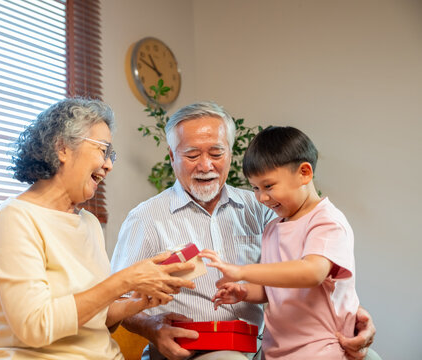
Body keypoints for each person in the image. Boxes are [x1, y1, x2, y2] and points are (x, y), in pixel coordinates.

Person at [110, 102, 377, 360]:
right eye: (192, 155)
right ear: (171, 156)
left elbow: (310, 269)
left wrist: (351, 314)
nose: (206, 166)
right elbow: (117, 299)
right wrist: (152, 327)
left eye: (216, 153)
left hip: (259, 348)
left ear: (230, 151)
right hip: (189, 352)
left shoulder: (263, 208)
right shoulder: (146, 218)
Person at [0, 98, 196, 360]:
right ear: (62, 148)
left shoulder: (89, 223)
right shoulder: (16, 217)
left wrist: (139, 300)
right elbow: (34, 327)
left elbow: (98, 319)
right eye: (102, 150)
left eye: (110, 155)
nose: (109, 164)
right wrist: (124, 280)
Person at [200, 125, 359, 359]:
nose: (262, 197)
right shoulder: (274, 227)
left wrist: (242, 271)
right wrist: (244, 292)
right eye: (255, 188)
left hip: (322, 347)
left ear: (304, 173)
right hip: (277, 349)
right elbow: (272, 288)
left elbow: (312, 272)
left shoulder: (326, 221)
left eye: (269, 186)